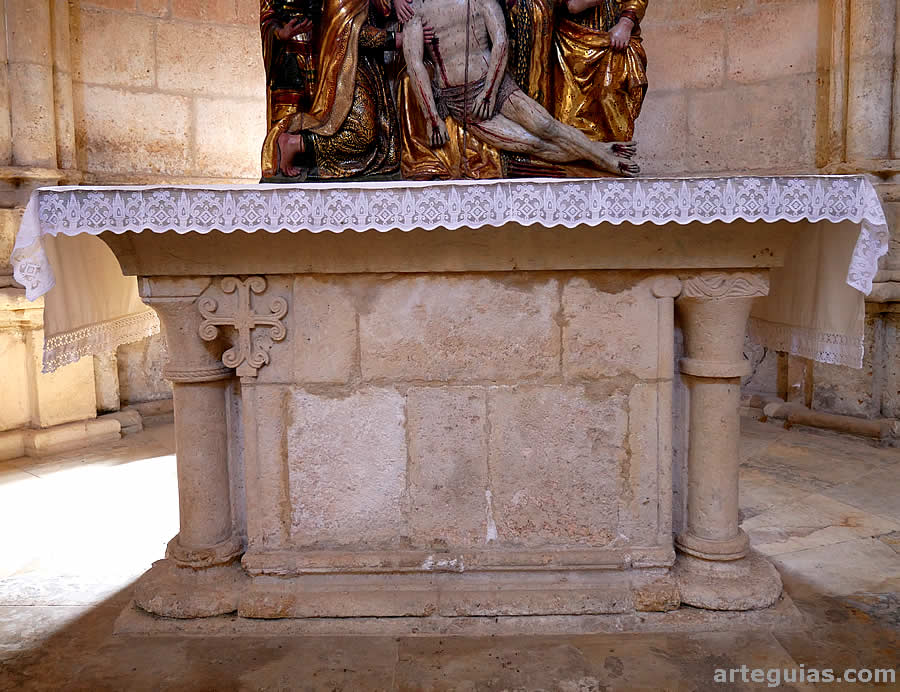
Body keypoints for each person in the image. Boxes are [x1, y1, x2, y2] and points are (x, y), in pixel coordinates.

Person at [401, 0, 639, 176]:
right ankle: (602, 154)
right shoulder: (416, 10)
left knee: (545, 125)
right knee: (530, 144)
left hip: (496, 85)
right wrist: (433, 118)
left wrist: (489, 92)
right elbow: (414, 64)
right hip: (461, 100)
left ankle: (604, 159)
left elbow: (501, 41)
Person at [260, 0, 401, 181]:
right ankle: (293, 145)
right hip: (332, 66)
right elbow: (349, 30)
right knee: (362, 134)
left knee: (368, 136)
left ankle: (297, 147)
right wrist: (395, 39)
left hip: (339, 60)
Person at [553, 0, 648, 143]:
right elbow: (571, 6)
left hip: (612, 40)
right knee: (567, 116)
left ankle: (614, 155)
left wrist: (626, 23)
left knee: (610, 99)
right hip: (569, 44)